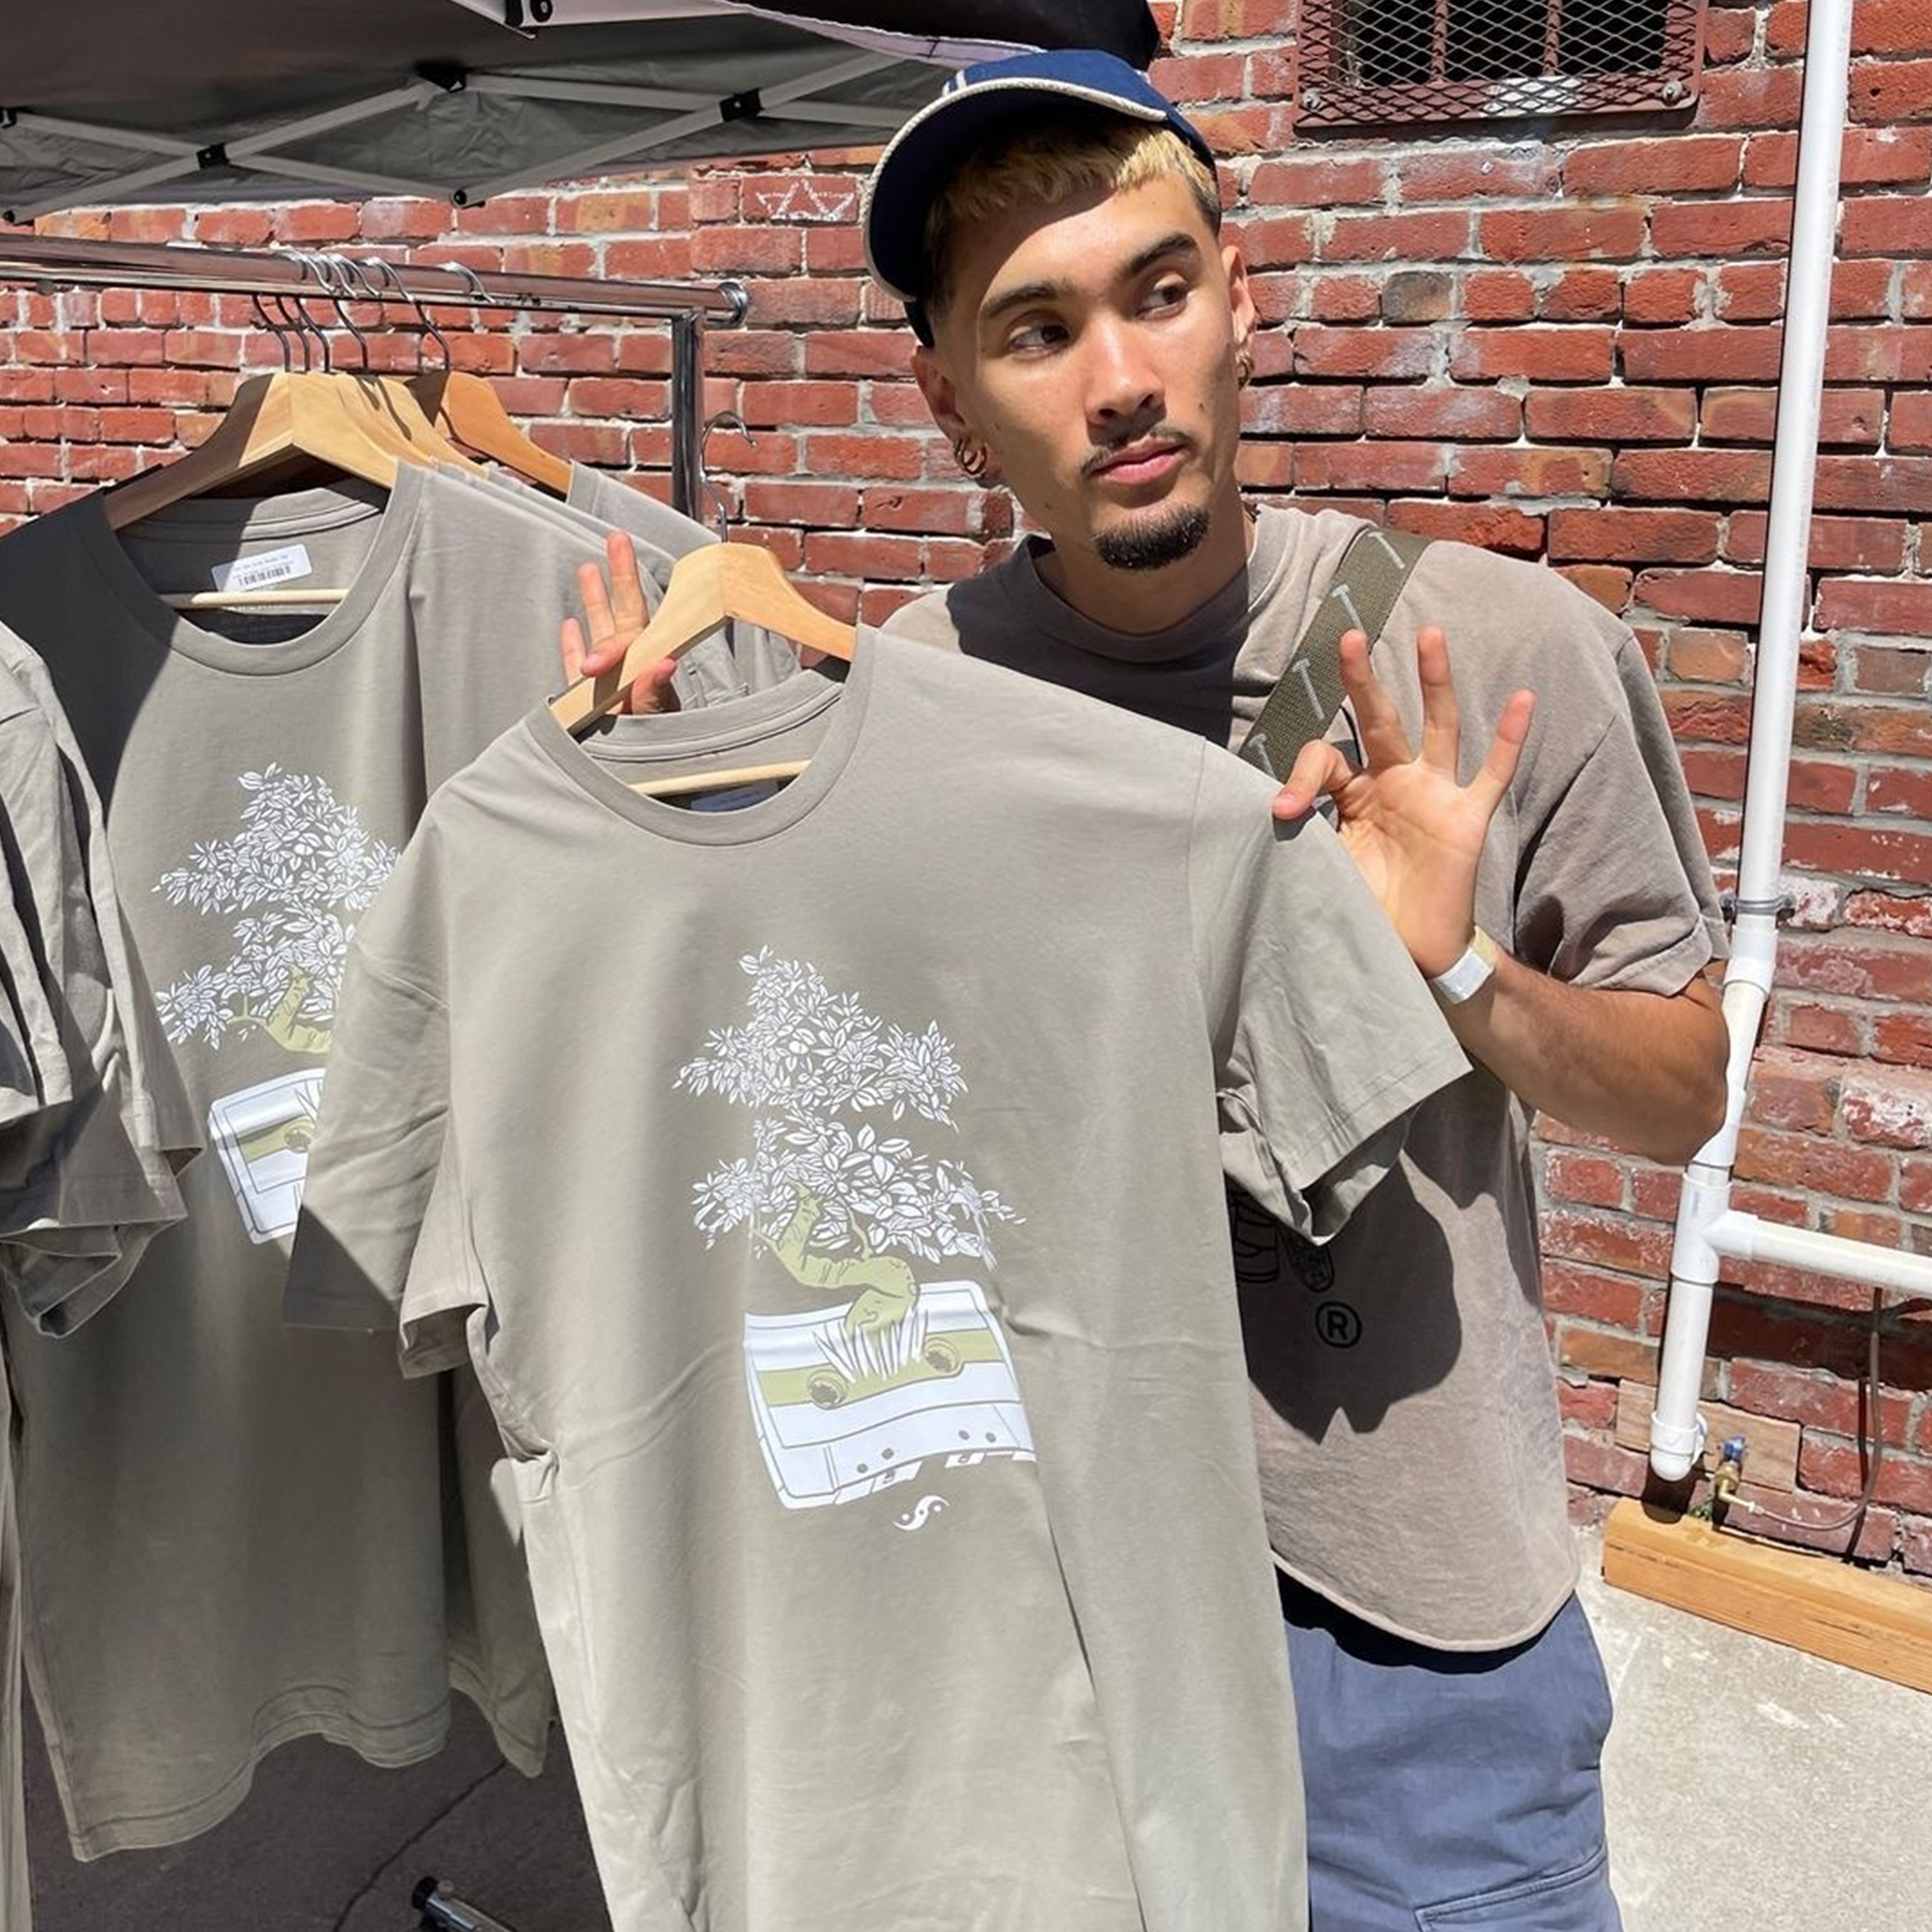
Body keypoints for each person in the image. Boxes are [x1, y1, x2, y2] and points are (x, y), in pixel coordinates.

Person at [565, 50, 1729, 1932]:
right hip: (1040, 1616)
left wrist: (1454, 968)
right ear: (946, 401)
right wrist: (649, 831)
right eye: (1033, 330)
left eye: (1155, 293)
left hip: (1412, 1649)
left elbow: (1682, 1091)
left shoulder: (1487, 654)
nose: (1118, 381)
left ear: (1237, 299)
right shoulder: (900, 707)